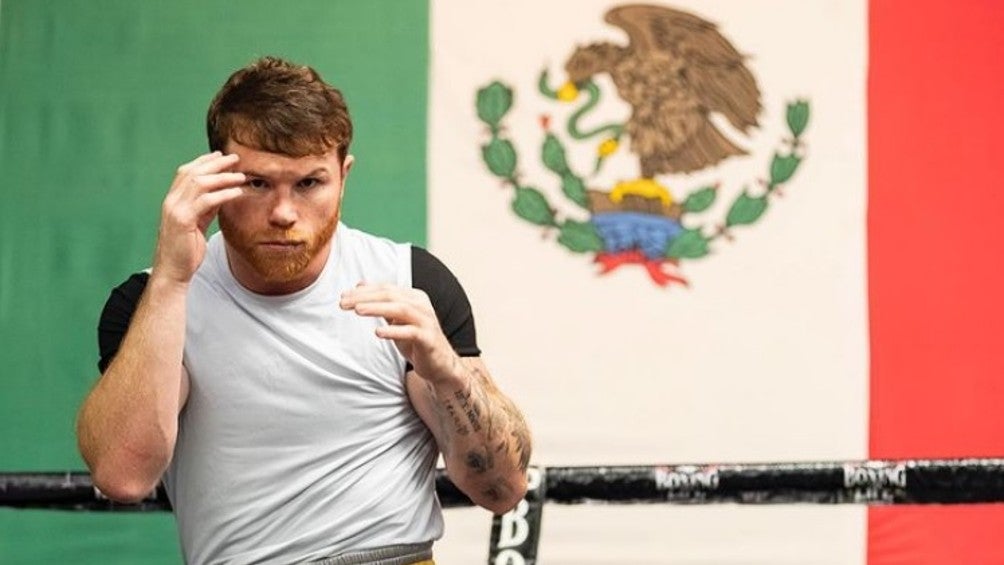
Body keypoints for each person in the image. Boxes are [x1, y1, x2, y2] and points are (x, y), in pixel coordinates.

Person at [76, 56, 532, 565]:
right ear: (211, 180)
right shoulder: (156, 302)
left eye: (309, 183)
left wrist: (447, 374)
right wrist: (169, 279)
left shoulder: (408, 282)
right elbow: (123, 476)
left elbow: (501, 491)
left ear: (343, 175)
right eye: (257, 183)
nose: (283, 213)